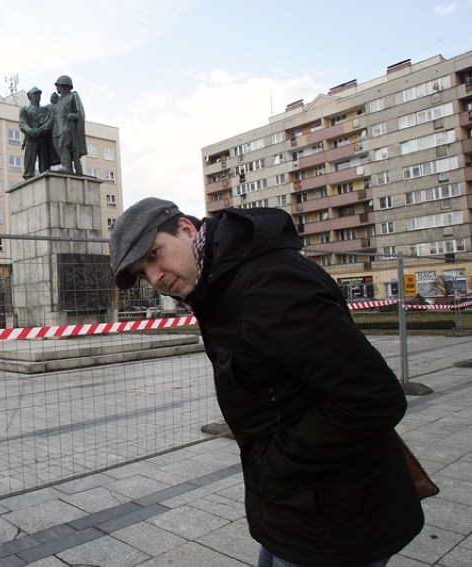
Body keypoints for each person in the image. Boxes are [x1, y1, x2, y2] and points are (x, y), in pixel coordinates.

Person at [109, 198, 424, 567]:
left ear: (187, 229)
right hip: (294, 508)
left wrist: (278, 460)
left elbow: (375, 398)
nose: (156, 276)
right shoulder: (219, 284)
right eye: (143, 272)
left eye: (154, 255)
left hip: (337, 520)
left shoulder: (267, 283)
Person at [51, 75, 87, 175]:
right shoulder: (58, 101)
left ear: (63, 86)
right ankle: (66, 165)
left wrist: (74, 115)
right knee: (58, 146)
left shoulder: (73, 96)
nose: (57, 88)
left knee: (63, 145)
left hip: (67, 126)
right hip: (56, 128)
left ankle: (67, 168)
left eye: (58, 85)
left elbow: (80, 112)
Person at [19, 86, 54, 179]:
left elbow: (50, 121)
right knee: (30, 158)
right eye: (35, 94)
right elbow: (23, 124)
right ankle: (28, 176)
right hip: (31, 137)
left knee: (44, 161)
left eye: (39, 94)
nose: (37, 96)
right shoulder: (25, 110)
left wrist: (42, 129)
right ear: (30, 97)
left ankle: (45, 175)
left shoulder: (45, 109)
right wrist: (30, 131)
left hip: (43, 137)